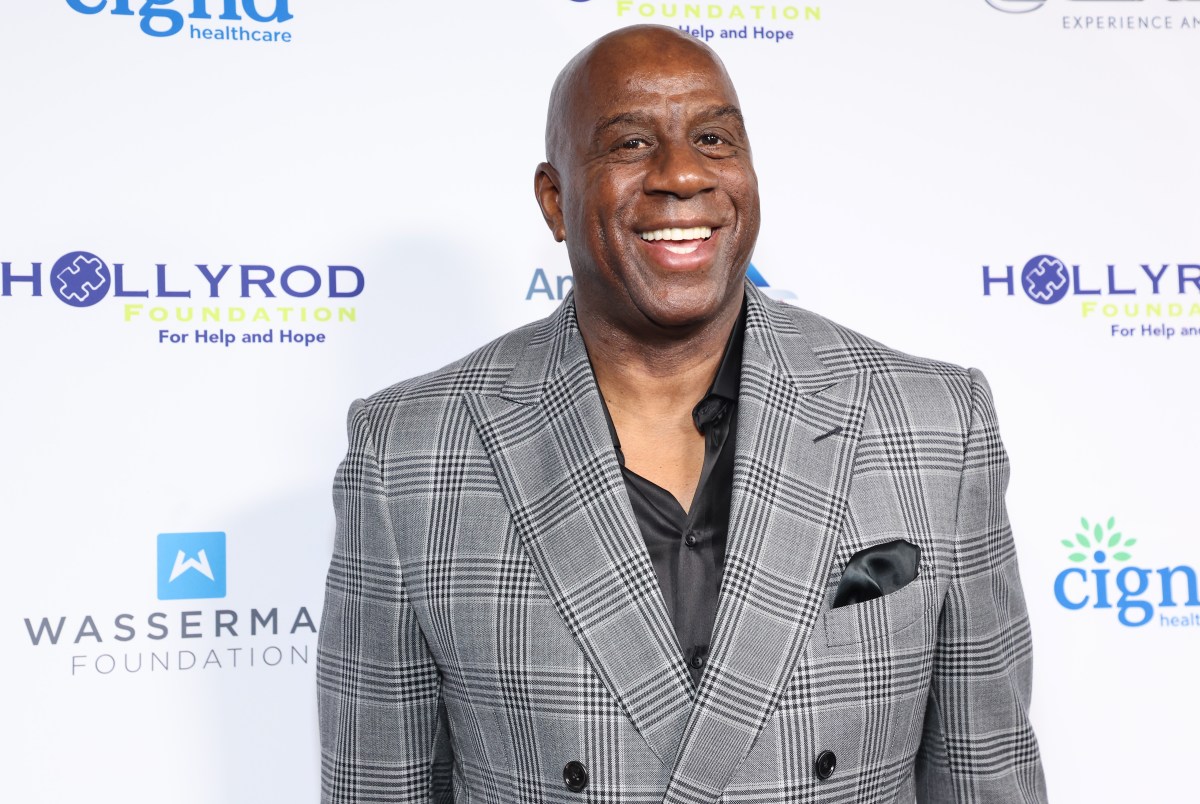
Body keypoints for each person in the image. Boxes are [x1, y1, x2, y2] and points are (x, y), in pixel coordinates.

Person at [317, 24, 1047, 803]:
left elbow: (988, 778)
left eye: (713, 139)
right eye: (631, 144)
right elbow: (376, 786)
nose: (682, 173)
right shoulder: (410, 454)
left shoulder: (936, 425)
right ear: (555, 200)